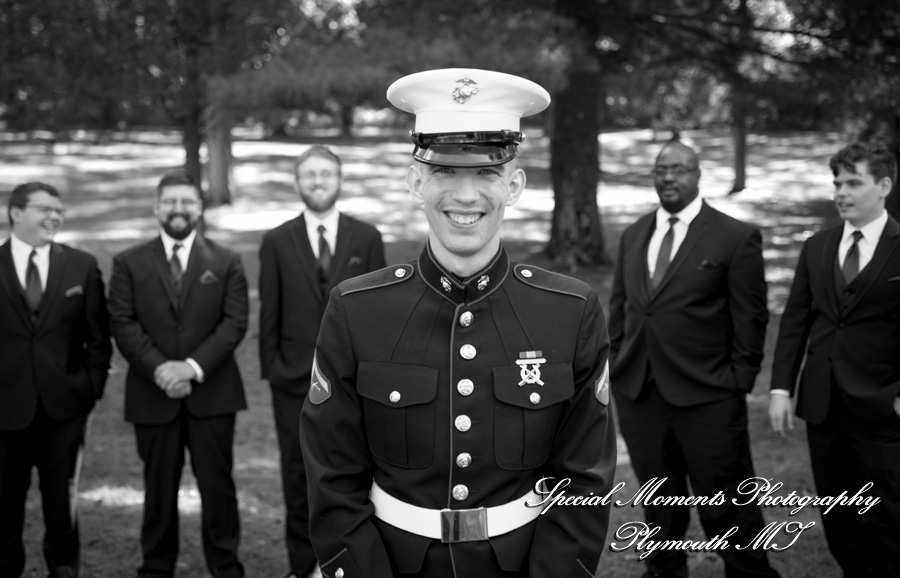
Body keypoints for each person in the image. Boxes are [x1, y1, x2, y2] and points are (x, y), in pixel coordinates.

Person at [298, 68, 617, 578]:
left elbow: (584, 480)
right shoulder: (357, 310)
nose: (466, 195)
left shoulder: (570, 312)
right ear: (415, 182)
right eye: (445, 171)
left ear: (513, 185)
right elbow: (332, 475)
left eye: (487, 173)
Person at [608, 140, 779, 578]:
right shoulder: (634, 234)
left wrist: (739, 380)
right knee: (659, 503)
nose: (668, 177)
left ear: (698, 174)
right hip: (641, 394)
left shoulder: (733, 236)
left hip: (709, 396)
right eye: (661, 168)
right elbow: (623, 310)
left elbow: (751, 317)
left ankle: (750, 573)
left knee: (726, 504)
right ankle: (664, 571)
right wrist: (617, 365)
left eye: (679, 169)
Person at [108, 170, 249, 578]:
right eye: (169, 201)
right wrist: (161, 370)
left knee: (218, 489)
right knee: (157, 491)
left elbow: (234, 323)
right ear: (156, 207)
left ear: (200, 208)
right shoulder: (128, 262)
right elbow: (122, 321)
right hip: (153, 395)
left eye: (187, 201)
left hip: (213, 395)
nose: (178, 209)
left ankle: (226, 567)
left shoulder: (227, 260)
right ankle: (155, 568)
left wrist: (190, 367)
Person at [769, 140, 900, 577]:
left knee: (887, 517)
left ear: (884, 185)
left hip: (883, 408)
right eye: (837, 182)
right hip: (823, 406)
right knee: (838, 514)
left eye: (853, 182)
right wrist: (781, 387)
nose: (841, 192)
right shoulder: (818, 247)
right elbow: (794, 322)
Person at [259, 145, 386, 578]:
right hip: (292, 382)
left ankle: (348, 564)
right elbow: (269, 312)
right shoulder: (277, 240)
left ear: (339, 180)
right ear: (297, 182)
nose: (317, 181)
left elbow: (381, 315)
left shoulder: (366, 237)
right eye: (309, 174)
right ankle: (301, 565)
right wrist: (274, 370)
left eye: (326, 174)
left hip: (354, 382)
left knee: (355, 471)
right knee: (297, 477)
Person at [0, 182, 112, 578]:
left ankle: (63, 570)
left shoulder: (80, 266)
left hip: (64, 410)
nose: (54, 216)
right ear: (15, 213)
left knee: (62, 507)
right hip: (5, 414)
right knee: (4, 506)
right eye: (44, 208)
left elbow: (98, 338)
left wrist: (88, 389)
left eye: (58, 210)